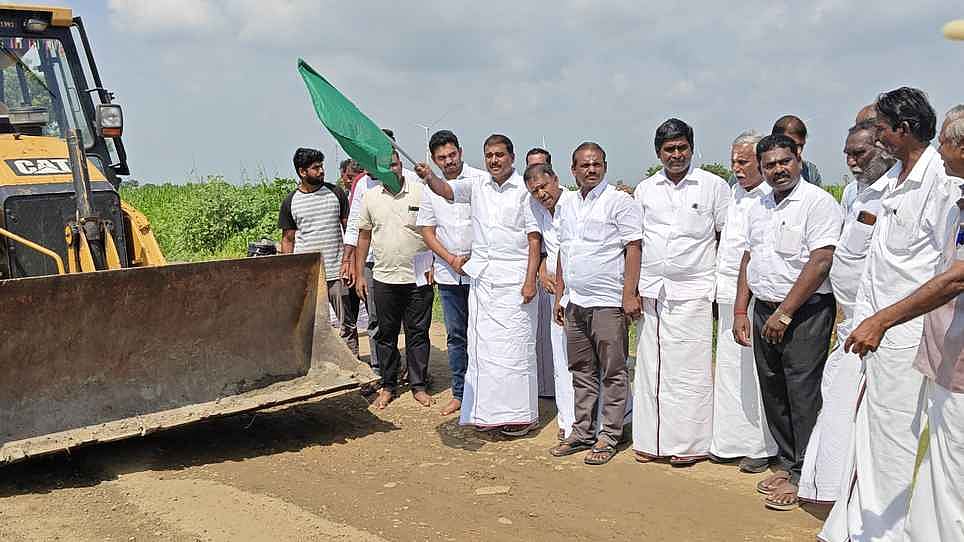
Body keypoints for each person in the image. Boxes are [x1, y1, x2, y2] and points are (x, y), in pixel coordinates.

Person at [821, 89, 959, 542]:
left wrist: (885, 321)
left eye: (880, 128)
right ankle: (862, 526)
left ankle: (888, 532)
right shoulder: (891, 182)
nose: (874, 136)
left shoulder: (941, 182)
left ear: (903, 129)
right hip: (874, 331)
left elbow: (947, 270)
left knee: (899, 437)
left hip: (908, 335)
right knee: (872, 432)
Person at [733, 134, 842, 511]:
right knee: (774, 391)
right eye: (769, 165)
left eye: (785, 162)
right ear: (760, 169)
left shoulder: (818, 203)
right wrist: (739, 310)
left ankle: (807, 476)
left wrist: (786, 313)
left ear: (798, 159)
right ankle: (788, 463)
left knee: (803, 394)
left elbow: (820, 262)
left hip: (805, 313)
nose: (778, 170)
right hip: (764, 309)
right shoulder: (758, 204)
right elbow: (750, 258)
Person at [415, 134, 542, 437]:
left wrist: (529, 281)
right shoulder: (477, 186)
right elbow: (445, 190)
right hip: (484, 280)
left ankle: (521, 416)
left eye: (500, 155)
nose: (494, 160)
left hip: (515, 279)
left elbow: (534, 238)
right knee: (485, 350)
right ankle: (487, 412)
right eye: (489, 155)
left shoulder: (524, 191)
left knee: (515, 351)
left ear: (512, 156)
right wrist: (429, 176)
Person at [797, 121, 895, 504]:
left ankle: (851, 496)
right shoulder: (855, 194)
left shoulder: (892, 195)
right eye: (848, 153)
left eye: (860, 153)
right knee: (835, 401)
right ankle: (828, 488)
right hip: (849, 320)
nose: (851, 161)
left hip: (876, 325)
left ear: (885, 148)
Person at [632, 119, 731, 466]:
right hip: (653, 292)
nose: (676, 155)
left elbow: (725, 238)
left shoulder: (713, 187)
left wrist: (720, 290)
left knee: (689, 372)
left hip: (695, 292)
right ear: (658, 152)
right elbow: (636, 243)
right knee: (651, 368)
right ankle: (649, 441)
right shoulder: (645, 189)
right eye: (669, 149)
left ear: (691, 147)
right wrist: (631, 290)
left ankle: (689, 445)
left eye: (681, 148)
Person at [548, 143, 642, 465]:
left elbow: (633, 247)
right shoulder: (567, 204)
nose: (591, 169)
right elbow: (564, 250)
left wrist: (629, 294)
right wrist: (561, 294)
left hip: (607, 303)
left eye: (596, 164)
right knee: (582, 371)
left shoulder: (620, 202)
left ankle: (610, 435)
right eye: (584, 165)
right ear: (573, 170)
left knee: (614, 371)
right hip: (575, 302)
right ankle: (582, 431)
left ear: (604, 165)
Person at [710, 130, 778, 473]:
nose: (736, 168)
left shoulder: (769, 198)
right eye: (733, 161)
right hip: (726, 295)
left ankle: (760, 445)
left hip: (753, 298)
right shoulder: (732, 194)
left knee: (754, 373)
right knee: (729, 371)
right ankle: (728, 441)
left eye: (743, 162)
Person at [355, 150, 435, 410]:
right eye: (385, 166)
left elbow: (434, 230)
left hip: (419, 277)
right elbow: (364, 237)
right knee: (385, 335)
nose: (391, 169)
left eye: (395, 164)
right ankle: (388, 385)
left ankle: (418, 386)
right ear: (378, 171)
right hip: (384, 278)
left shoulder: (420, 192)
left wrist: (434, 264)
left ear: (401, 166)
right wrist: (359, 274)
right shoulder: (370, 197)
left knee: (418, 334)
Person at [416, 130, 487, 416]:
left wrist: (471, 257)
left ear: (460, 151)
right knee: (456, 336)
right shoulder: (429, 190)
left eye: (452, 155)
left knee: (484, 333)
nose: (449, 161)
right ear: (434, 160)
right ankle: (460, 393)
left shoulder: (480, 181)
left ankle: (486, 392)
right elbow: (427, 231)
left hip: (480, 272)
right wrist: (450, 259)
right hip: (449, 275)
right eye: (441, 158)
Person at [524, 162, 577, 441]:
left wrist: (560, 292)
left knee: (588, 358)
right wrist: (543, 272)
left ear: (556, 180)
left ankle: (602, 417)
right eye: (534, 191)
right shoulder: (539, 211)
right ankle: (568, 419)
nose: (541, 194)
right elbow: (546, 250)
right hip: (555, 289)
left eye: (544, 186)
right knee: (561, 358)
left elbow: (569, 252)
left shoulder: (574, 204)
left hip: (578, 290)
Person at [278, 147, 351, 336]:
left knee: (347, 325)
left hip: (337, 271)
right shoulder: (290, 202)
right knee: (314, 326)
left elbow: (349, 230)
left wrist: (349, 262)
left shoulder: (336, 193)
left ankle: (353, 361)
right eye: (316, 168)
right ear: (302, 172)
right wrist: (291, 271)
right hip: (309, 274)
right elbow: (288, 240)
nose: (321, 171)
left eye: (321, 166)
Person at [772, 115, 822, 186]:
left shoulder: (810, 172)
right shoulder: (758, 173)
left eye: (801, 146)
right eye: (794, 145)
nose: (799, 151)